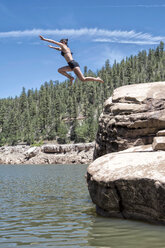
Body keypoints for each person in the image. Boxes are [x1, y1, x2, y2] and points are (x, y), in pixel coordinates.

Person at [39, 35, 104, 85]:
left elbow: (53, 42)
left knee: (83, 79)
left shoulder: (64, 46)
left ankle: (97, 79)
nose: (60, 43)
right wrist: (52, 47)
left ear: (64, 42)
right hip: (70, 65)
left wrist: (44, 39)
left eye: (60, 42)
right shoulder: (65, 48)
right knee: (60, 70)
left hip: (73, 64)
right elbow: (58, 48)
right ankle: (71, 78)